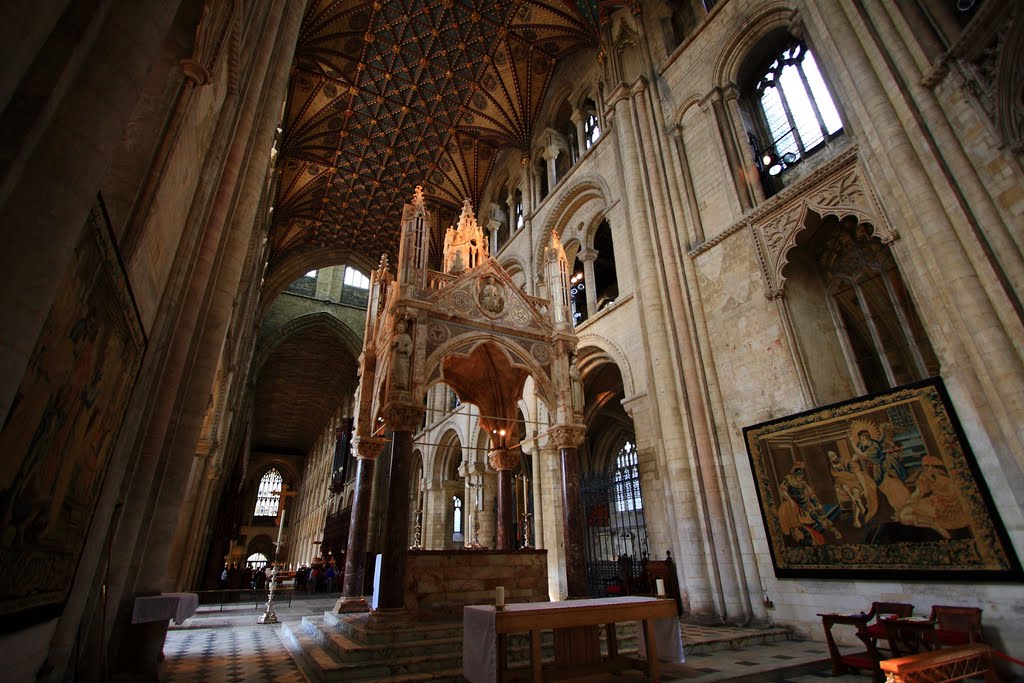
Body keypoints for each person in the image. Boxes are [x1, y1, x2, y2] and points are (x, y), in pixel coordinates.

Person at [777, 461, 842, 544]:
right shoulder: (788, 480)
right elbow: (782, 490)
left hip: (806, 505)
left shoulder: (803, 484)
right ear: (795, 474)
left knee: (819, 517)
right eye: (799, 475)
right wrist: (790, 500)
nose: (800, 477)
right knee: (803, 523)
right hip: (795, 506)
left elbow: (811, 495)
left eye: (802, 475)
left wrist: (817, 504)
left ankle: (834, 531)